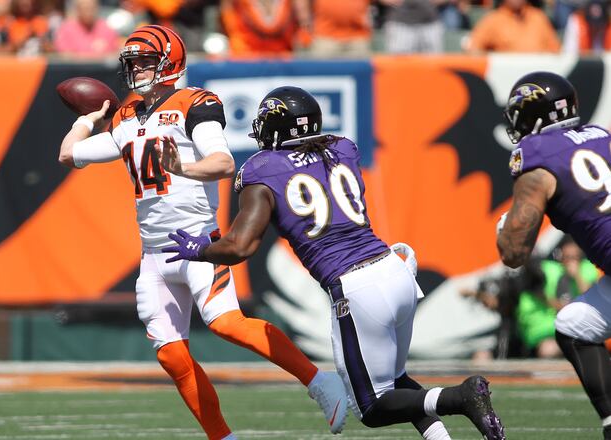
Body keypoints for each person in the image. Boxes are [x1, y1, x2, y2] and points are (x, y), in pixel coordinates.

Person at [163, 86, 507, 440]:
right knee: (395, 379)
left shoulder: (262, 169)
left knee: (371, 407)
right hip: (393, 269)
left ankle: (461, 397)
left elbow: (241, 246)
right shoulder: (342, 148)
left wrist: (200, 249)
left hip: (356, 287)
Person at [57, 25, 348, 440]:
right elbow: (69, 154)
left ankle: (321, 382)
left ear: (169, 63)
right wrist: (87, 119)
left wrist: (183, 168)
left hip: (196, 242)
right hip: (153, 253)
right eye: (132, 62)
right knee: (173, 358)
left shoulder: (196, 103)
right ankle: (222, 437)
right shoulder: (125, 117)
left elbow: (223, 162)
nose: (136, 69)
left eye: (145, 61)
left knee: (226, 322)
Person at [497, 71, 611, 440]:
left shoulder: (536, 156)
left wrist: (505, 228)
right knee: (575, 325)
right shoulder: (602, 137)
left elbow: (514, 253)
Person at [516, 236, 600, 358]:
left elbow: (591, 298)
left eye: (574, 258)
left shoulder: (588, 269)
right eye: (566, 258)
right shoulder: (548, 269)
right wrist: (560, 306)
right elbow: (537, 291)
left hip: (580, 329)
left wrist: (577, 275)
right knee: (548, 349)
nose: (570, 262)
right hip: (551, 330)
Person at [464, 0, 560, 53]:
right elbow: (473, 48)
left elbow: (555, 50)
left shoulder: (539, 17)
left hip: (538, 79)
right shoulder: (493, 19)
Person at [52, 0, 119, 58]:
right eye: (85, 8)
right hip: (75, 70)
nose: (89, 12)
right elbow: (64, 55)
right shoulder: (66, 29)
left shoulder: (106, 28)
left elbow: (114, 53)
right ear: (78, 9)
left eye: (91, 8)